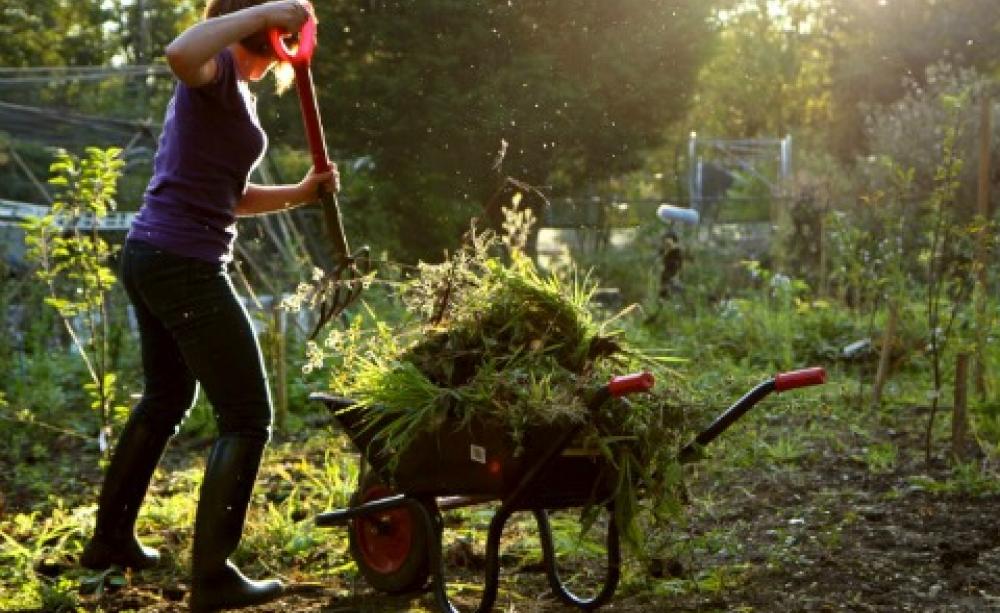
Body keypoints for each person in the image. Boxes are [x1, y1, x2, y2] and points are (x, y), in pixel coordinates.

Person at [79, 1, 338, 611]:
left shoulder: (237, 90)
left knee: (167, 398)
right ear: (265, 29)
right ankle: (214, 575)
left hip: (157, 253)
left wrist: (301, 194)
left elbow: (233, 196)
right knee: (248, 416)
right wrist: (272, 7)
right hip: (181, 263)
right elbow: (178, 54)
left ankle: (109, 541)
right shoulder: (215, 66)